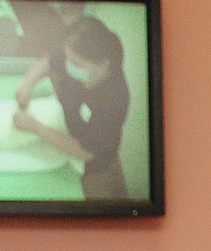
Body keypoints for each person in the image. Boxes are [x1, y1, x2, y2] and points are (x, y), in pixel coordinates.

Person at [13, 13, 131, 200]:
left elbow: (86, 151)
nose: (68, 65)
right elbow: (51, 61)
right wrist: (27, 84)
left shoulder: (114, 100)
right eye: (68, 58)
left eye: (75, 63)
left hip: (94, 159)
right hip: (68, 125)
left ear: (102, 65)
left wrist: (34, 127)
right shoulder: (75, 53)